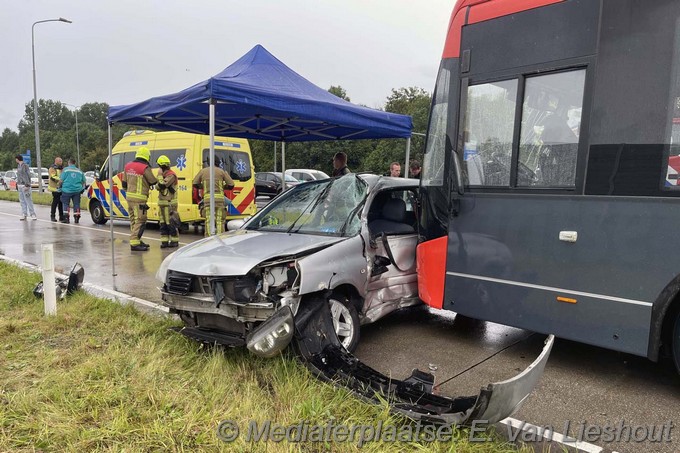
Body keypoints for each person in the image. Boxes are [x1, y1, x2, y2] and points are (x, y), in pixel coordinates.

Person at [121, 147, 158, 251]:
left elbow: (124, 183)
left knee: (133, 219)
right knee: (141, 219)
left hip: (129, 197)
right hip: (140, 199)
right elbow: (152, 181)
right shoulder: (144, 167)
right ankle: (134, 242)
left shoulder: (127, 166)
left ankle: (137, 239)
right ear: (147, 156)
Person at [193, 158, 234, 237]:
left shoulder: (203, 171)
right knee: (219, 220)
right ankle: (220, 238)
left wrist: (204, 186)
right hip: (219, 201)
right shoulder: (222, 172)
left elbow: (195, 183)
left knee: (208, 220)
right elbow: (231, 185)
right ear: (218, 163)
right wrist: (222, 186)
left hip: (208, 200)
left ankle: (208, 239)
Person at [156, 155, 179, 248]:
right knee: (163, 224)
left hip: (169, 204)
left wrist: (160, 175)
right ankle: (164, 241)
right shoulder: (165, 175)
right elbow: (157, 186)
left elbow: (161, 185)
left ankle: (174, 241)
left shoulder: (171, 175)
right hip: (162, 204)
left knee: (170, 223)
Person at [59, 158, 87, 224]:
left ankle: (66, 218)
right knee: (76, 204)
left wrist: (59, 187)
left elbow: (61, 180)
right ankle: (77, 217)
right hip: (77, 190)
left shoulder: (65, 170)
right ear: (75, 163)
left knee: (65, 204)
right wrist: (82, 189)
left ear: (69, 163)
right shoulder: (79, 171)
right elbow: (84, 182)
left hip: (66, 190)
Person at [15, 155, 36, 220]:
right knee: (22, 201)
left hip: (25, 185)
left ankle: (32, 214)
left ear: (18, 159)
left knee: (28, 200)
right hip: (20, 185)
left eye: (16, 159)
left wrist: (28, 184)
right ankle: (24, 214)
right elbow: (19, 175)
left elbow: (28, 175)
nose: (15, 160)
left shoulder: (25, 166)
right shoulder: (18, 166)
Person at [48, 157, 64, 222]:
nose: (61, 162)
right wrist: (60, 180)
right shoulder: (52, 168)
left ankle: (61, 216)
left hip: (61, 188)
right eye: (60, 161)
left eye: (61, 161)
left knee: (61, 203)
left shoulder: (62, 168)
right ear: (56, 161)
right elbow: (53, 177)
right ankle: (52, 216)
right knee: (55, 202)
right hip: (55, 188)